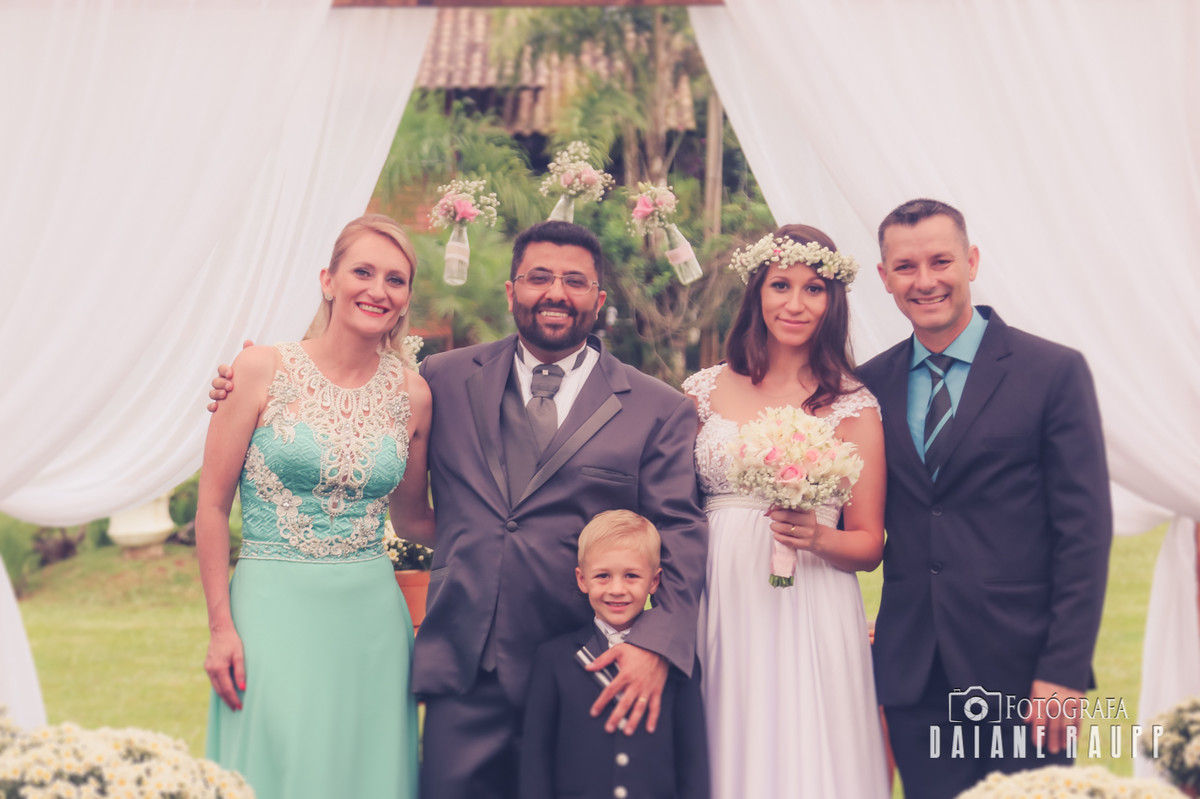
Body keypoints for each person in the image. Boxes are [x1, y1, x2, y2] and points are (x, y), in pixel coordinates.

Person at [209, 220, 708, 799]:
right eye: (539, 277)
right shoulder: (441, 380)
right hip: (465, 670)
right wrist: (246, 384)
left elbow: (682, 535)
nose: (556, 292)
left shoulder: (657, 409)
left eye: (575, 281)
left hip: (583, 670)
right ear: (511, 291)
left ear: (598, 300)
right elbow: (352, 399)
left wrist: (655, 643)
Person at [858, 198, 1112, 799]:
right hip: (916, 676)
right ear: (885, 277)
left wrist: (1063, 670)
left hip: (1024, 674)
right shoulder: (868, 385)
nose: (925, 281)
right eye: (906, 267)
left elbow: (1084, 534)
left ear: (971, 261)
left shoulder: (1052, 372)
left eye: (941, 261)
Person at [197, 214, 430, 799]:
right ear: (328, 280)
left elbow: (412, 518)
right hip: (270, 611)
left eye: (395, 280)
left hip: (373, 625)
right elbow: (211, 507)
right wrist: (221, 627)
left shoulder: (414, 395)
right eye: (363, 272)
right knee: (276, 770)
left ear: (406, 300)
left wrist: (517, 533)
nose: (378, 290)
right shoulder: (259, 369)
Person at [682, 224, 890, 797]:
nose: (795, 304)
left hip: (812, 598)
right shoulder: (702, 391)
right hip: (721, 594)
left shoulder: (853, 405)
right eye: (781, 285)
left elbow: (869, 544)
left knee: (808, 745)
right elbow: (673, 509)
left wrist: (817, 537)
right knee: (727, 735)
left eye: (813, 289)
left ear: (833, 300)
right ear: (757, 292)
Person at [519, 510, 709, 799]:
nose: (617, 589)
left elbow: (692, 763)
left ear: (654, 581)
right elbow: (536, 762)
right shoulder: (553, 659)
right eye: (603, 576)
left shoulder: (679, 661)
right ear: (582, 579)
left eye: (631, 576)